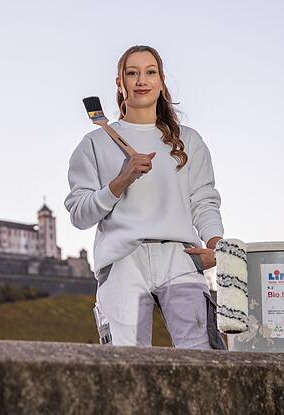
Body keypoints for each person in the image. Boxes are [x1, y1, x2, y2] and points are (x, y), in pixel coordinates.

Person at [64, 45, 225, 349]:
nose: (142, 80)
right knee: (125, 368)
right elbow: (79, 214)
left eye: (150, 72)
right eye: (132, 73)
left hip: (180, 257)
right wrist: (121, 180)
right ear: (119, 83)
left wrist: (217, 247)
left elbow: (204, 200)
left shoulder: (188, 140)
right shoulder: (95, 143)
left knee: (205, 359)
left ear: (161, 81)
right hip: (122, 260)